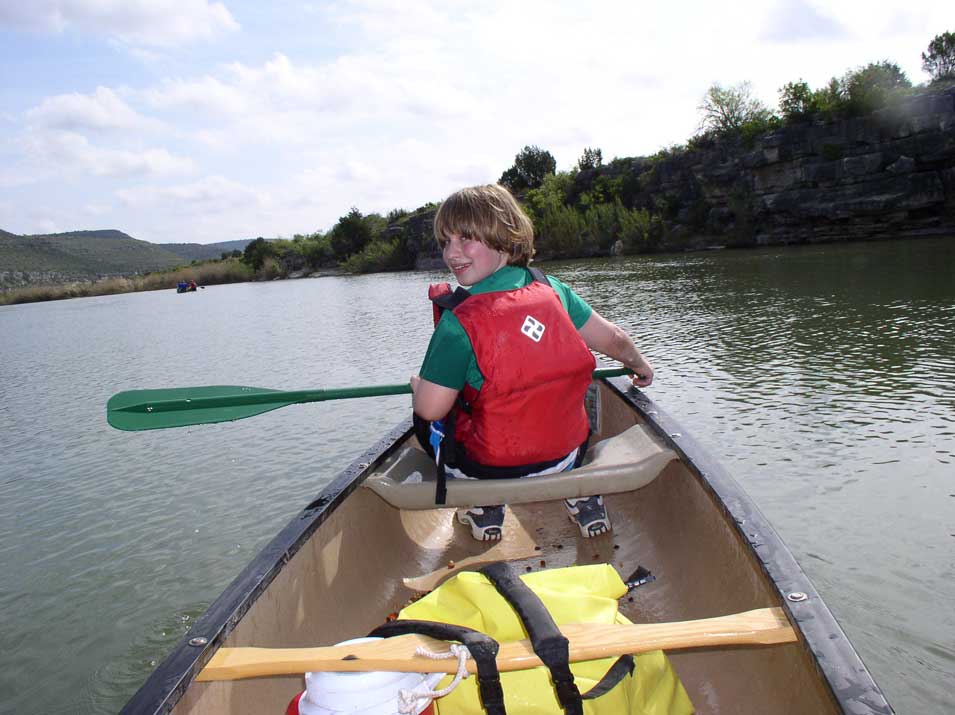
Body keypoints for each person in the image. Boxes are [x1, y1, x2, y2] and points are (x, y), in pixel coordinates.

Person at [411, 184, 654, 542]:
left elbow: (432, 409)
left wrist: (418, 388)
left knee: (424, 413)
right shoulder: (552, 290)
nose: (453, 252)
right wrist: (639, 364)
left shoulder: (456, 320)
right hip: (565, 454)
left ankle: (484, 505)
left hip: (488, 468)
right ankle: (579, 489)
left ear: (504, 238)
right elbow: (613, 340)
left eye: (466, 238)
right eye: (445, 242)